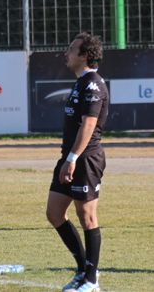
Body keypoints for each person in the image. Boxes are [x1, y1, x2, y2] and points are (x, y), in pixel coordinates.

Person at [46, 32, 109, 292]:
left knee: (87, 216)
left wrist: (72, 159)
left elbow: (89, 124)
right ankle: (84, 268)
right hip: (69, 157)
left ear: (84, 55)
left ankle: (91, 280)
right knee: (54, 213)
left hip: (85, 159)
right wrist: (67, 158)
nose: (66, 53)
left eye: (72, 49)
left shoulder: (93, 84)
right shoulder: (81, 82)